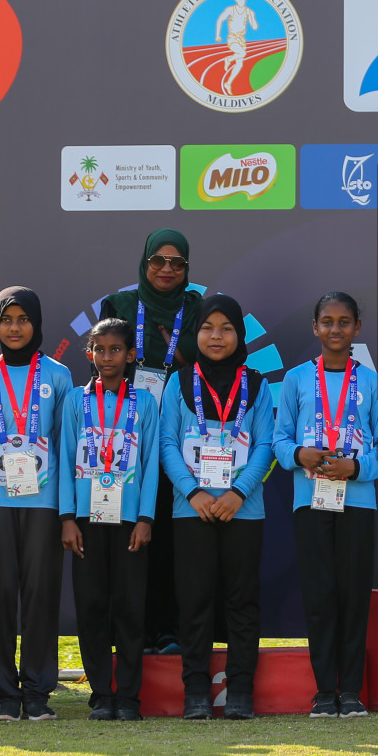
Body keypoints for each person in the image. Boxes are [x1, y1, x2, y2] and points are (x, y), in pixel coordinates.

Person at [273, 293, 378, 718]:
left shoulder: (372, 382)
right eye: (327, 321)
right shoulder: (296, 379)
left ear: (357, 328)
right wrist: (297, 456)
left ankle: (352, 692)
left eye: (345, 322)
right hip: (310, 500)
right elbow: (279, 438)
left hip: (357, 501)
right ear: (315, 328)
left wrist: (356, 466)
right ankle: (325, 691)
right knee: (320, 596)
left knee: (353, 595)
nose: (336, 329)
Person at [160, 294, 275, 720]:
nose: (216, 336)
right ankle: (195, 692)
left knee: (242, 602)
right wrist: (194, 492)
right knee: (194, 601)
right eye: (208, 327)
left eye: (226, 328)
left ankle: (241, 690)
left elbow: (266, 444)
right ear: (196, 334)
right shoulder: (179, 381)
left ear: (239, 336)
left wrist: (238, 492)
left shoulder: (258, 384)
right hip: (192, 510)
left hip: (243, 510)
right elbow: (166, 443)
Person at [0, 287, 76, 721]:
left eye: (23, 319)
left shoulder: (58, 376)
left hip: (44, 501)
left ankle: (37, 693)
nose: (15, 328)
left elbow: (66, 444)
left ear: (37, 323)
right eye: (6, 319)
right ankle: (4, 696)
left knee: (40, 595)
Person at [98, 229, 202, 656]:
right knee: (129, 534)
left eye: (177, 263)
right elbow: (106, 359)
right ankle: (130, 632)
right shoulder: (120, 306)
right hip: (127, 428)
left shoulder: (196, 308)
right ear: (144, 263)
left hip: (178, 430)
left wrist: (181, 358)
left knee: (169, 538)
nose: (167, 269)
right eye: (159, 260)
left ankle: (169, 630)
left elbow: (209, 363)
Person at [59, 318, 162, 721]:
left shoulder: (145, 404)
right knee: (92, 606)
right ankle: (101, 694)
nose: (107, 357)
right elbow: (66, 462)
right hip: (86, 520)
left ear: (131, 355)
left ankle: (130, 696)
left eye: (115, 349)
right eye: (99, 350)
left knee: (130, 607)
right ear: (89, 354)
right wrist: (67, 518)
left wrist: (146, 517)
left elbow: (151, 464)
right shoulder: (74, 401)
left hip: (129, 520)